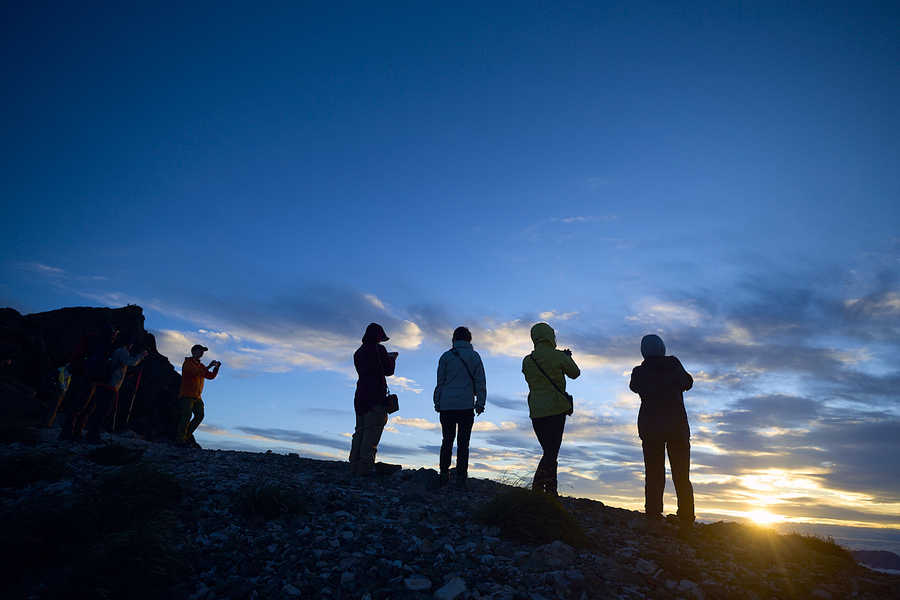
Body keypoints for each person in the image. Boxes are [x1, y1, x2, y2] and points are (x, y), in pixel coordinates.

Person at [629, 334, 695, 529]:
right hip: (677, 427)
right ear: (662, 348)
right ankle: (686, 519)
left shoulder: (640, 372)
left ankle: (654, 518)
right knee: (681, 474)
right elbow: (688, 383)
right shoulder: (674, 364)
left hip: (651, 428)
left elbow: (634, 387)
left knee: (654, 473)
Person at [522, 322, 580, 497]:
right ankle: (544, 493)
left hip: (536, 410)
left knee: (549, 452)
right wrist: (566, 358)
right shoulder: (558, 356)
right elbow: (575, 373)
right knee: (551, 452)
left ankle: (545, 492)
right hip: (556, 408)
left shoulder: (528, 360)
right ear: (550, 336)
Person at [433, 326, 487, 490]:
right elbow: (480, 382)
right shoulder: (474, 356)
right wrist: (480, 403)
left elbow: (440, 382)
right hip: (466, 406)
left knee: (447, 441)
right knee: (463, 443)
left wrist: (437, 402)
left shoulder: (446, 357)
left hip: (447, 405)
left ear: (454, 339)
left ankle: (443, 476)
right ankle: (461, 480)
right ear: (469, 339)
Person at [349, 323, 397, 477]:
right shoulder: (379, 350)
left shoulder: (358, 352)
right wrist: (392, 359)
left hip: (360, 396)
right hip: (376, 397)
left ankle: (353, 469)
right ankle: (363, 472)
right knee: (371, 434)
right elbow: (388, 371)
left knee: (359, 432)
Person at [84, 332, 148, 444]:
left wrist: (126, 373)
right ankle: (93, 436)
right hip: (110, 386)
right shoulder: (121, 351)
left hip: (105, 384)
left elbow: (116, 366)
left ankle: (92, 434)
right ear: (128, 343)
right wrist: (141, 356)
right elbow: (131, 362)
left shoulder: (115, 350)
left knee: (100, 410)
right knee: (102, 412)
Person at [59, 325, 120, 441]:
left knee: (89, 407)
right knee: (81, 404)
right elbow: (98, 358)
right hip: (90, 377)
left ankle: (77, 431)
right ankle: (67, 432)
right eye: (114, 332)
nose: (115, 335)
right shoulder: (99, 343)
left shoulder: (104, 343)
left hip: (97, 379)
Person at [174, 344, 221, 449]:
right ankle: (179, 440)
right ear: (194, 351)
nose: (202, 353)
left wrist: (216, 369)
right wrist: (208, 367)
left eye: (203, 351)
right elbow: (193, 373)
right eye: (200, 350)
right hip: (187, 394)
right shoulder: (188, 363)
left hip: (197, 396)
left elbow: (210, 376)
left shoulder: (201, 366)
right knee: (187, 416)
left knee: (199, 415)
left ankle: (185, 437)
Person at [40, 363, 72, 427]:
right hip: (60, 390)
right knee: (54, 407)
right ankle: (48, 423)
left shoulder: (59, 369)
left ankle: (41, 422)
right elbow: (76, 374)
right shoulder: (66, 371)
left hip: (52, 388)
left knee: (48, 406)